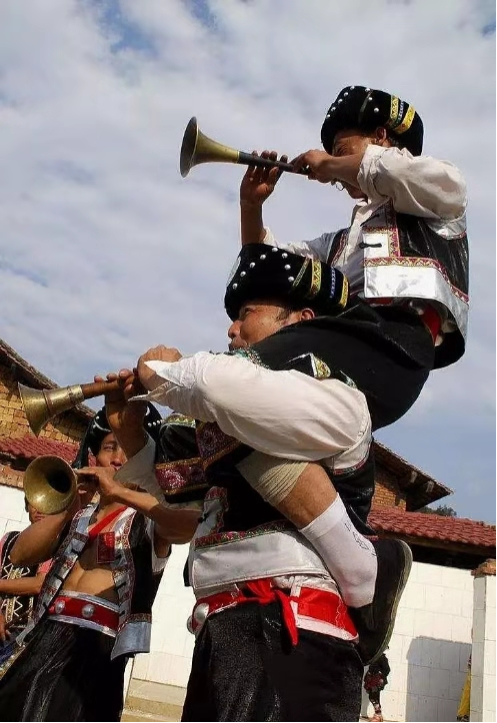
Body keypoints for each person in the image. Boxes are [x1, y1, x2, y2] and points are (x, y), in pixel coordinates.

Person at [107, 249, 412, 722]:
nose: (231, 329)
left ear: (301, 321)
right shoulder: (231, 418)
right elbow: (175, 488)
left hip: (290, 633)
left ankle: (371, 569)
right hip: (224, 629)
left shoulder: (337, 397)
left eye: (247, 313)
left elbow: (221, 388)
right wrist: (127, 429)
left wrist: (165, 372)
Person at [239, 84, 469, 431]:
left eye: (344, 150)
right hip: (346, 341)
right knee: (250, 396)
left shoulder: (439, 197)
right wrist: (251, 207)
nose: (340, 179)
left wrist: (329, 164)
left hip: (397, 344)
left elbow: (399, 172)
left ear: (380, 137)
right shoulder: (339, 244)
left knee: (242, 371)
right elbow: (268, 266)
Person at [0, 405, 197, 723]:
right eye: (109, 447)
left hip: (96, 649)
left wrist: (120, 491)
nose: (118, 459)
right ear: (95, 457)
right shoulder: (78, 516)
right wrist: (67, 505)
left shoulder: (146, 521)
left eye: (128, 450)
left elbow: (187, 525)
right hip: (44, 636)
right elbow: (20, 554)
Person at [0, 500, 52, 646]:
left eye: (46, 503)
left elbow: (39, 584)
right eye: (34, 502)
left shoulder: (56, 543)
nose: (40, 509)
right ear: (27, 506)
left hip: (30, 635)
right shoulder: (9, 538)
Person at [363, 653, 391, 722]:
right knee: (373, 697)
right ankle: (378, 715)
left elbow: (387, 669)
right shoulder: (374, 656)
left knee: (374, 697)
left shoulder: (382, 657)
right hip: (372, 680)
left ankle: (378, 716)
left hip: (377, 681)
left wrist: (380, 674)